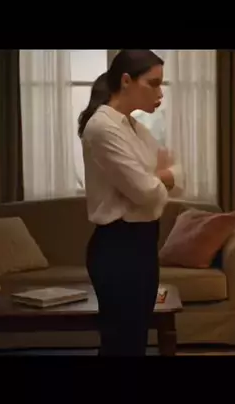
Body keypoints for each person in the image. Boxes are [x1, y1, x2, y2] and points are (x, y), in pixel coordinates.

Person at [79, 50, 183, 356]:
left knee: (134, 342)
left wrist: (159, 178)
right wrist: (161, 177)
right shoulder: (103, 127)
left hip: (143, 244)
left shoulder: (135, 128)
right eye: (153, 83)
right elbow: (147, 192)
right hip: (118, 248)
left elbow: (176, 175)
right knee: (122, 344)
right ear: (126, 81)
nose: (160, 93)